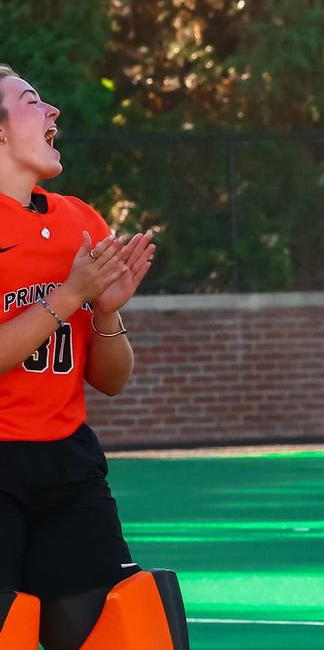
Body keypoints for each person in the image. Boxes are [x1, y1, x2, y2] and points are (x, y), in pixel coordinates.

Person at [0, 64, 187, 650]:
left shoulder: (80, 220)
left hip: (68, 466)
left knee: (107, 629)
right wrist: (69, 297)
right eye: (33, 101)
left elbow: (111, 380)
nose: (53, 111)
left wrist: (105, 312)